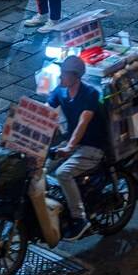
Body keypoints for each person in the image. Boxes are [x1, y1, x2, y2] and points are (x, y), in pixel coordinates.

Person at [46, 55, 108, 240]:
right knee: (41, 171)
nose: (60, 76)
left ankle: (80, 219)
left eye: (64, 73)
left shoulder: (90, 94)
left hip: (91, 147)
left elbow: (83, 122)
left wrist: (69, 147)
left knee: (62, 173)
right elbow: (43, 111)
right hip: (72, 144)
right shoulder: (61, 91)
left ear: (75, 76)